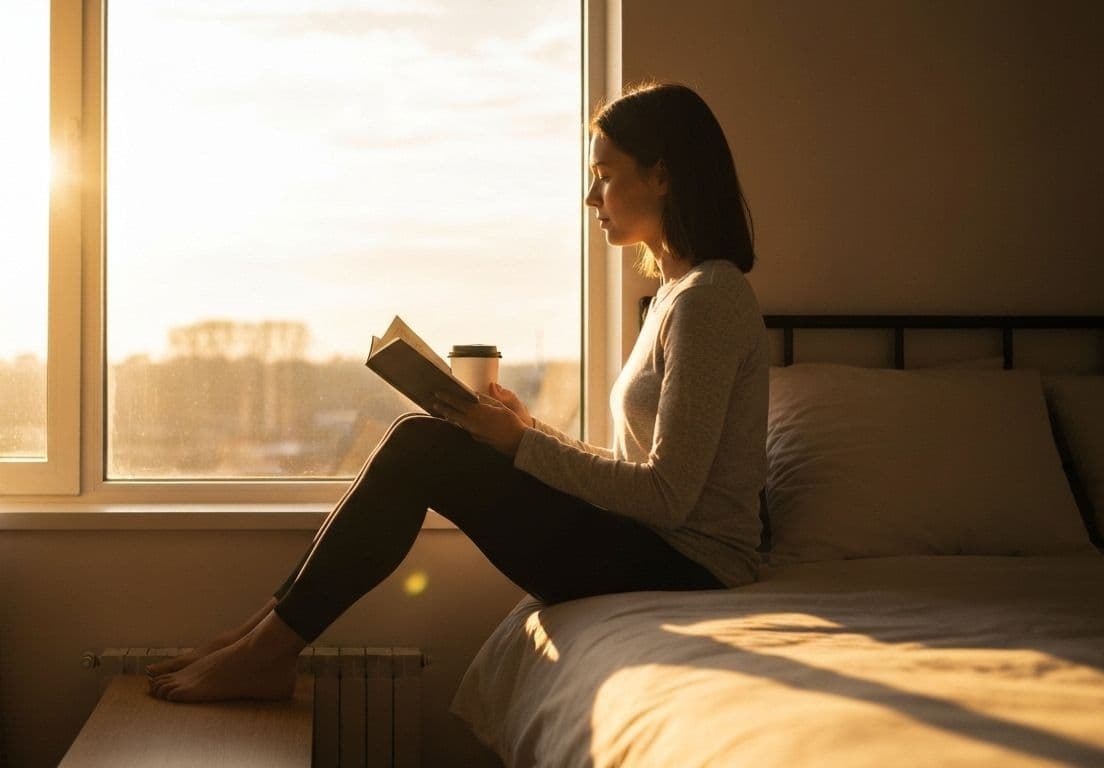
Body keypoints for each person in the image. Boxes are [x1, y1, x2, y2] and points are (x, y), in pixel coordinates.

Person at [147, 81, 769, 702]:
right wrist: (529, 431)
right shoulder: (671, 296)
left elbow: (667, 496)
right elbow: (640, 474)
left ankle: (264, 650)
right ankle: (257, 638)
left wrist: (520, 444)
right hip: (652, 547)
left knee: (422, 446)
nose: (589, 197)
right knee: (418, 438)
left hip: (691, 568)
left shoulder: (709, 300)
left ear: (661, 176)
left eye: (604, 175)